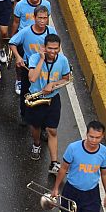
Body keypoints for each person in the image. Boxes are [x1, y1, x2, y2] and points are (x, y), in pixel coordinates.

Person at [26, 33, 71, 171]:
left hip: (53, 98)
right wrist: (41, 59)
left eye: (56, 48)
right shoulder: (34, 58)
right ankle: (37, 143)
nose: (53, 51)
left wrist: (53, 84)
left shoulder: (63, 60)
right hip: (36, 98)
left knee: (52, 130)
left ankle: (54, 162)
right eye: (50, 48)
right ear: (44, 48)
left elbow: (66, 78)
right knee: (36, 127)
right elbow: (32, 78)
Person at [9, 4, 50, 116]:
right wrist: (18, 57)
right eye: (40, 18)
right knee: (26, 92)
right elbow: (12, 43)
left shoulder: (51, 32)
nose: (42, 21)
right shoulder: (26, 31)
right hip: (28, 67)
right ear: (34, 17)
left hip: (45, 68)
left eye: (45, 18)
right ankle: (24, 114)